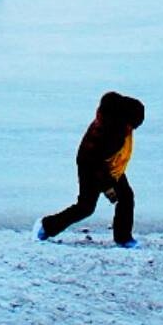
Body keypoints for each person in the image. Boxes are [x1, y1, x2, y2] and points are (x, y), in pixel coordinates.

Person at [35, 91, 146, 248]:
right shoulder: (108, 132)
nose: (132, 130)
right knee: (85, 207)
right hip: (90, 166)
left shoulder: (117, 124)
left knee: (126, 196)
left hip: (110, 165)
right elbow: (95, 163)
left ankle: (123, 238)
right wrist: (108, 188)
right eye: (132, 125)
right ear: (124, 119)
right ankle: (46, 226)